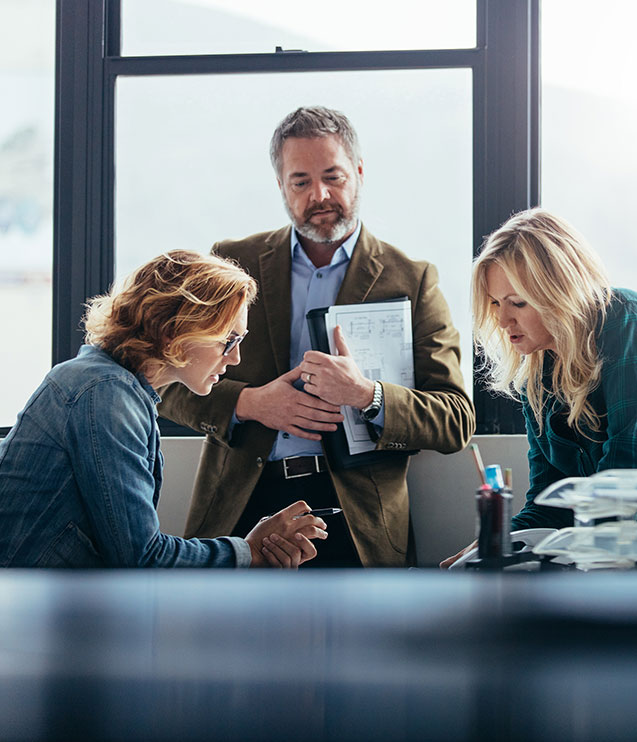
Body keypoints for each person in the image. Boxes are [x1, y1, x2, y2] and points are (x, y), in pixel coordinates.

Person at [158, 106, 475, 567]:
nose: (320, 195)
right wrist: (249, 403)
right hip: (243, 503)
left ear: (360, 173)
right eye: (301, 182)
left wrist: (367, 395)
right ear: (281, 187)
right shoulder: (231, 262)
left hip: (359, 520)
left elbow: (455, 420)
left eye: (333, 176)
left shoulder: (412, 279)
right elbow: (163, 381)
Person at [441, 208, 637, 567]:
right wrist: (495, 546)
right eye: (494, 303)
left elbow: (626, 471)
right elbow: (546, 503)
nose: (502, 319)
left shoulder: (628, 319)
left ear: (557, 292)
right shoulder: (536, 377)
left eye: (518, 302)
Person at [0, 250, 327, 568]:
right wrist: (249, 551)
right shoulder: (107, 394)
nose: (235, 358)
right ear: (175, 330)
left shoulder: (115, 385)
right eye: (227, 340)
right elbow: (141, 557)